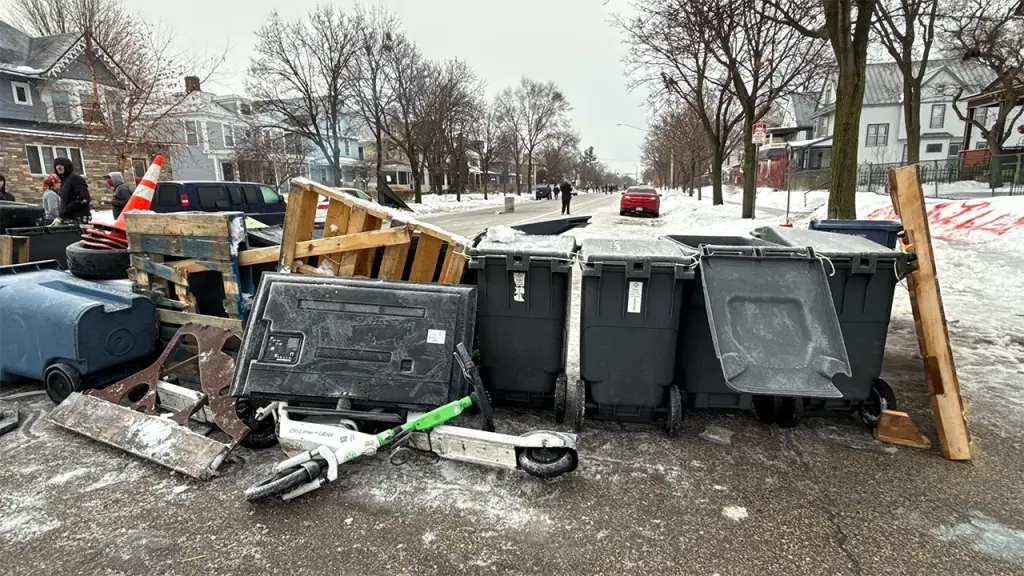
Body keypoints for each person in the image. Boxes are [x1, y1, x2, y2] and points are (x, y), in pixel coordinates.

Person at [53, 157, 91, 224]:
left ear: (67, 166)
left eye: (61, 165)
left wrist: (67, 208)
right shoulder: (64, 180)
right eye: (57, 165)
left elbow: (84, 198)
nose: (59, 167)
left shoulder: (75, 178)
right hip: (68, 218)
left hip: (78, 218)